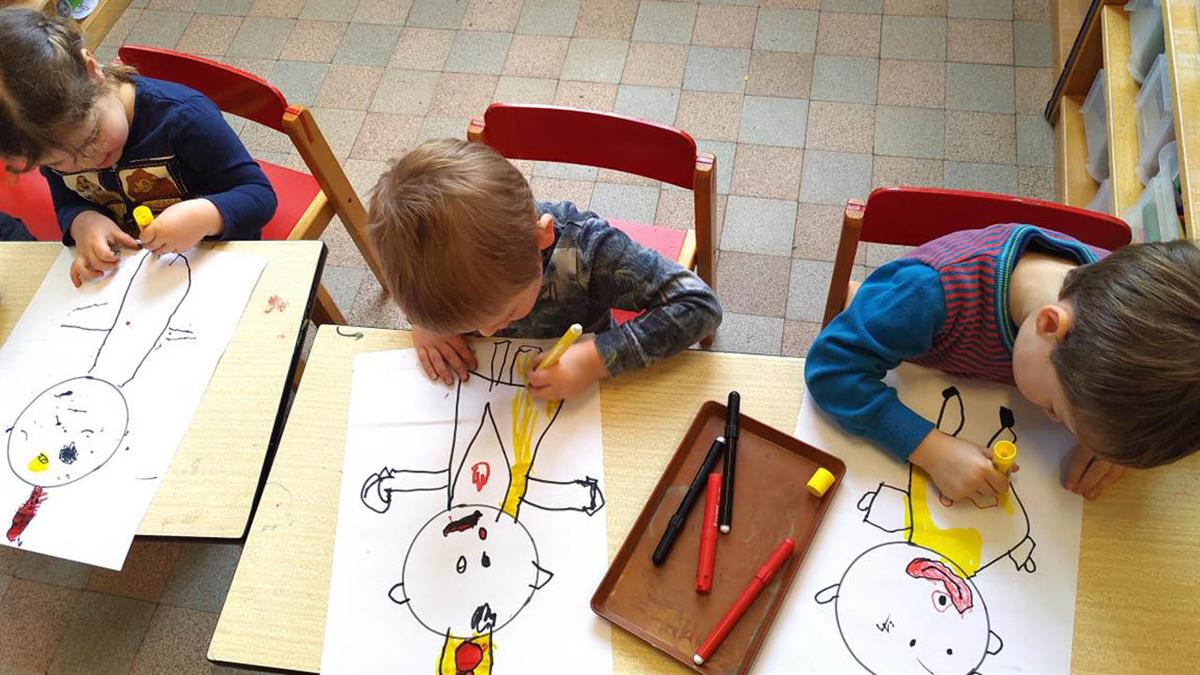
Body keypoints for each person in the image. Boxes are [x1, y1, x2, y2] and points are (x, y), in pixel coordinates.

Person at [805, 224, 1200, 502]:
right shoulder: (927, 293)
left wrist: (1113, 439)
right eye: (1056, 411)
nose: (1049, 418)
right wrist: (929, 448)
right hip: (901, 345)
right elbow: (831, 367)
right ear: (1049, 325)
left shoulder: (1128, 314)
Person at [366, 138, 721, 402]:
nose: (487, 333)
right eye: (469, 325)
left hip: (587, 383)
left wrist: (594, 360)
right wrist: (427, 324)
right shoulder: (427, 260)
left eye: (505, 313)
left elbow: (699, 305)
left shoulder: (586, 252)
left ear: (541, 239)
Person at [0, 9, 276, 287]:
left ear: (92, 70)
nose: (90, 161)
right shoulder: (49, 142)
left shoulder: (182, 117)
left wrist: (205, 215)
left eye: (92, 136)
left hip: (221, 258)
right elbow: (68, 201)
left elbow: (259, 196)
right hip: (138, 273)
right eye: (59, 164)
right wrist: (82, 221)